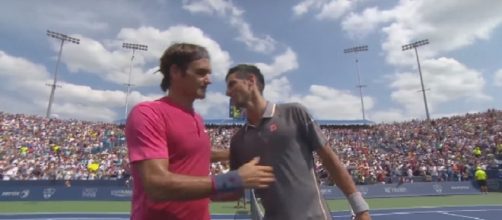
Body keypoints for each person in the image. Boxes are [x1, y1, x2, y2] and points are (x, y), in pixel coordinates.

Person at [125, 43, 275, 220]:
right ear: (175, 72)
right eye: (201, 72)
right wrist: (234, 179)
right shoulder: (148, 113)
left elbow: (193, 154)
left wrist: (239, 153)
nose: (209, 80)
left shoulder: (197, 119)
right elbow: (156, 184)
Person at [225, 64, 371, 220]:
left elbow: (329, 159)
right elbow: (234, 191)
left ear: (250, 81)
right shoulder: (238, 141)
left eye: (232, 84)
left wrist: (360, 208)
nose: (227, 92)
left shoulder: (295, 113)